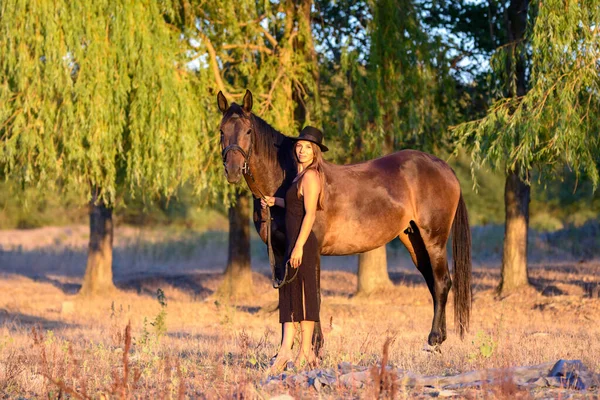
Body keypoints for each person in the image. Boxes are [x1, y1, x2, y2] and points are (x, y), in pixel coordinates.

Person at [261, 126, 328, 373]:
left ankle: (306, 351)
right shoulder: (298, 177)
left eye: (308, 147)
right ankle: (285, 350)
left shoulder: (311, 177)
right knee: (288, 293)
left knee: (306, 293)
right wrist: (273, 201)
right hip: (292, 243)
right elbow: (293, 205)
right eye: (299, 146)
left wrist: (299, 246)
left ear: (315, 152)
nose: (302, 150)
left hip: (303, 244)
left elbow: (310, 214)